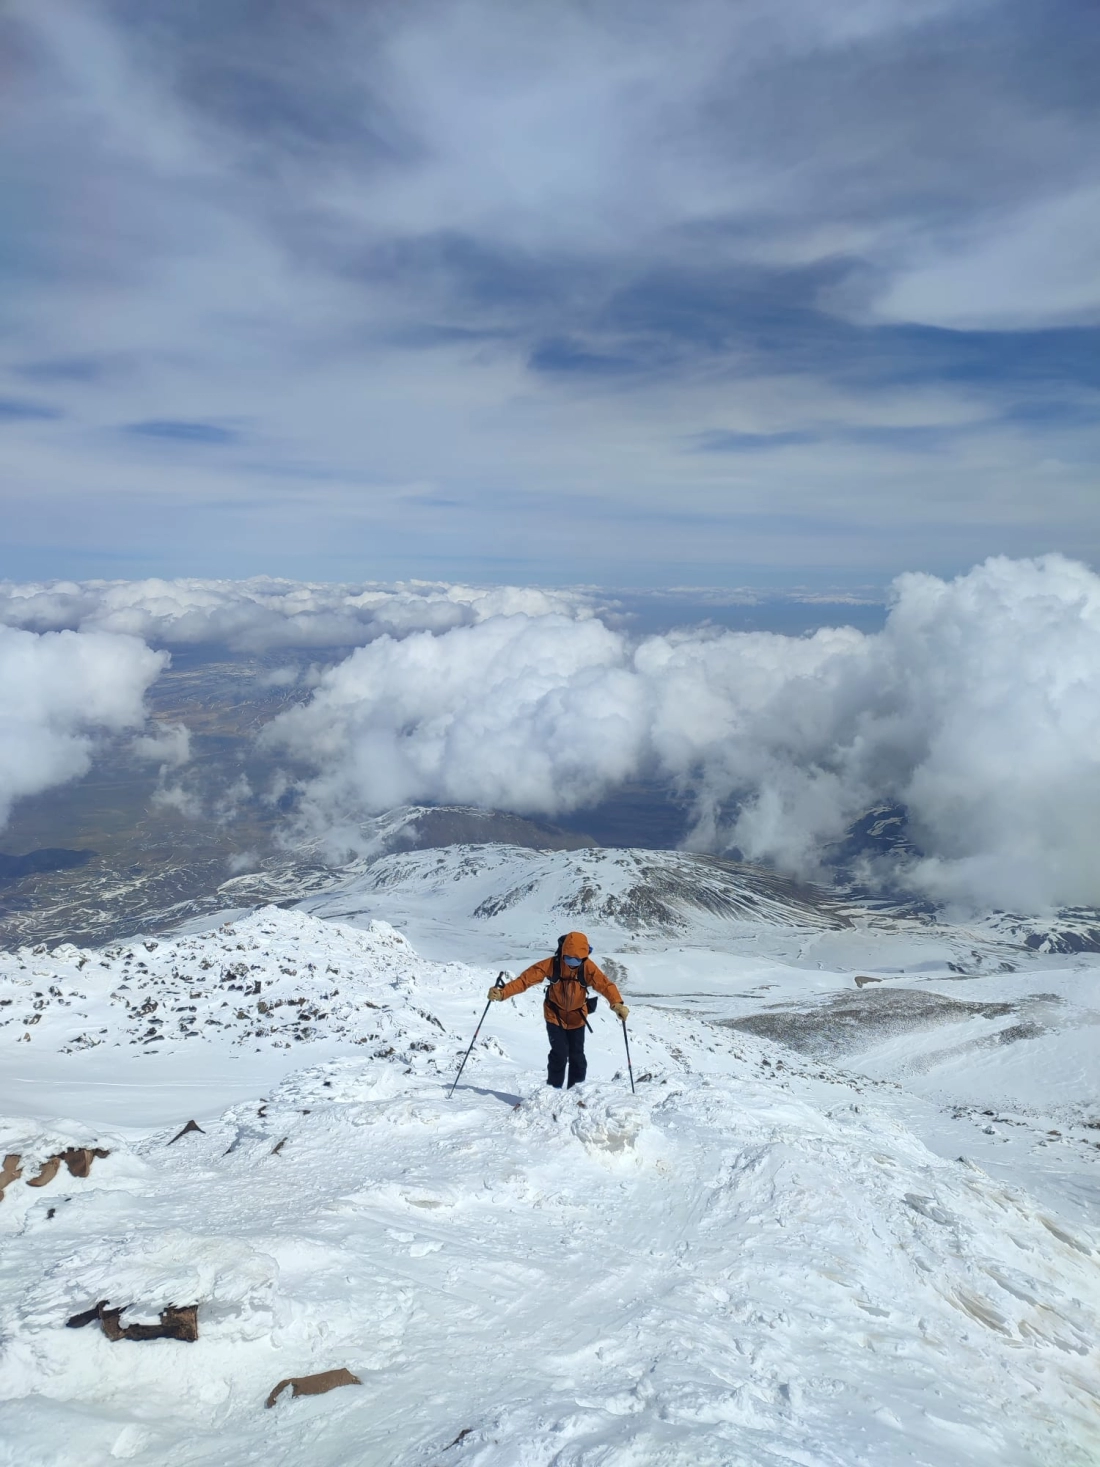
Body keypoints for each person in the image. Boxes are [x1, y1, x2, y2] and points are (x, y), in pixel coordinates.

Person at [488, 930, 629, 1089]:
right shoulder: (553, 964)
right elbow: (525, 980)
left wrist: (617, 1004)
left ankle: (576, 1093)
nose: (571, 962)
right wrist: (503, 993)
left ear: (584, 957)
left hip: (577, 1018)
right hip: (554, 1015)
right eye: (568, 958)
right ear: (563, 953)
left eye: (576, 960)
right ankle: (552, 1092)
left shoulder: (587, 967)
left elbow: (605, 985)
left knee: (577, 1057)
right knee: (559, 1054)